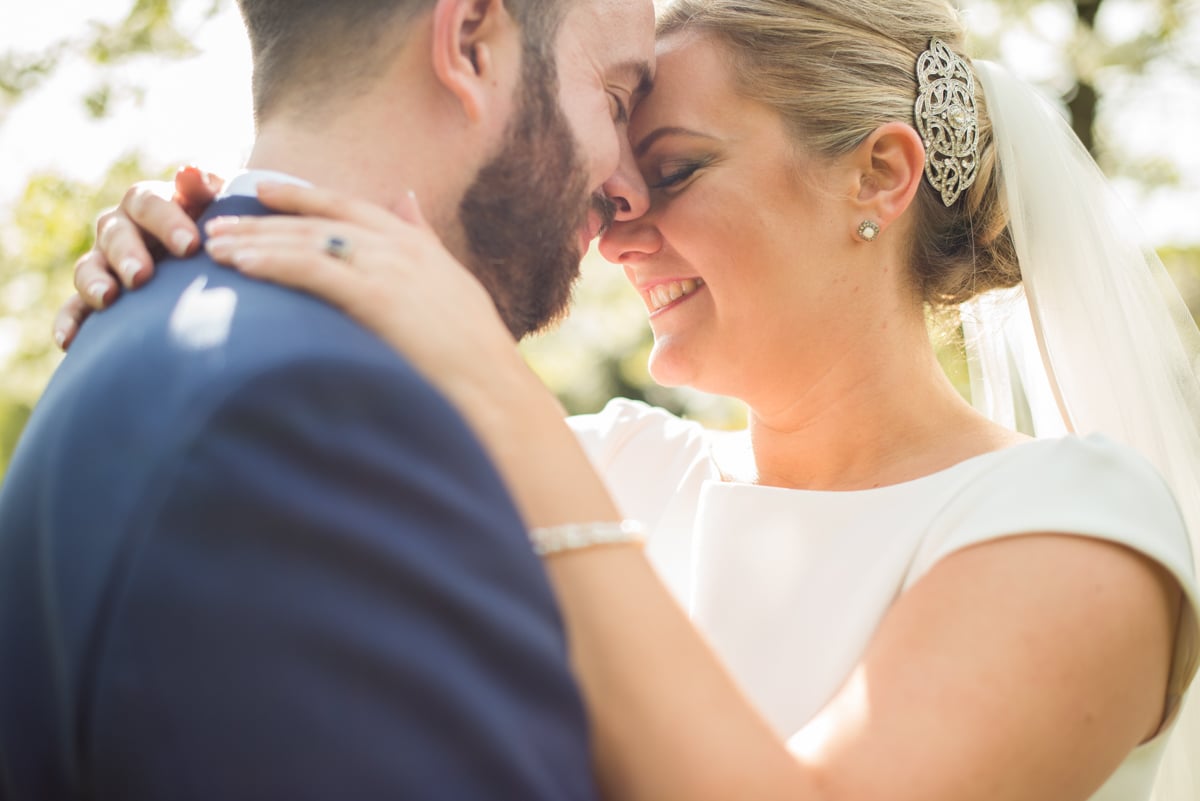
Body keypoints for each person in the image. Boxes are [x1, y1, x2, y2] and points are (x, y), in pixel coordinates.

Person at [50, 0, 1200, 800]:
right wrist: (196, 239)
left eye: (680, 169)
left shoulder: (1075, 531)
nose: (612, 220)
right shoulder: (605, 463)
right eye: (620, 166)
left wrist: (488, 374)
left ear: (881, 175)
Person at [0, 0, 657, 798]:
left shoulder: (156, 316)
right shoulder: (307, 411)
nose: (630, 189)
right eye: (617, 103)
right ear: (471, 42)